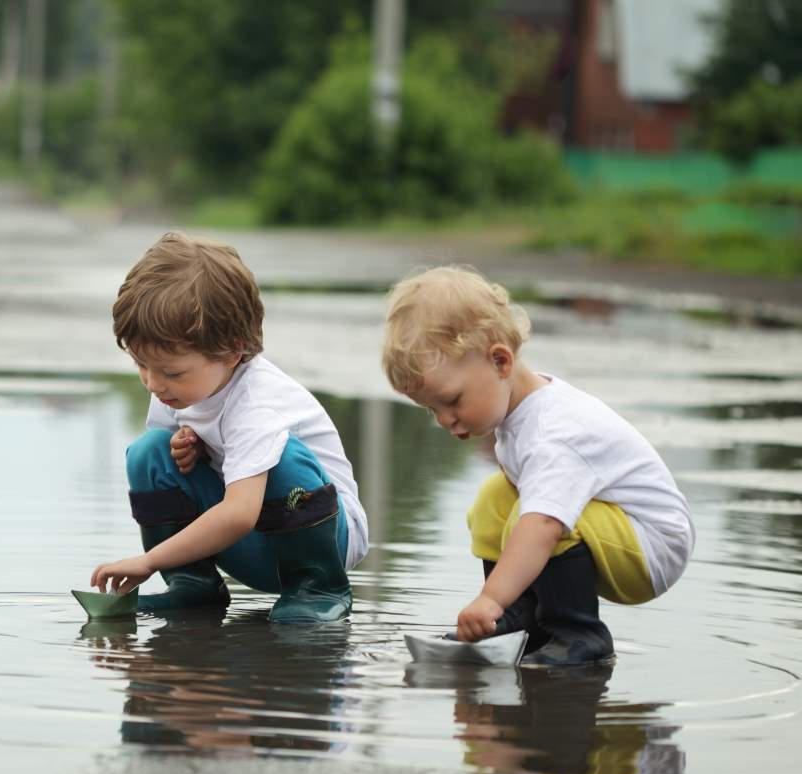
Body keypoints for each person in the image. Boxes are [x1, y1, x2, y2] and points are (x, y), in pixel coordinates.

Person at [381, 266, 694, 666]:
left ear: (500, 361)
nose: (444, 420)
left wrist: (490, 598)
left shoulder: (554, 433)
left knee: (545, 519)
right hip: (615, 533)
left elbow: (544, 526)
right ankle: (521, 622)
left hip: (652, 548)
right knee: (495, 497)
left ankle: (578, 635)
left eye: (453, 400)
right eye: (432, 409)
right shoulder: (517, 414)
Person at [90, 232, 368, 623]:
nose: (153, 383)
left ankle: (319, 590)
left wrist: (149, 561)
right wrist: (194, 445)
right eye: (141, 365)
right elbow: (179, 468)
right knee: (150, 452)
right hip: (253, 542)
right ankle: (192, 584)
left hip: (322, 542)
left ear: (233, 351)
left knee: (282, 457)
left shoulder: (258, 402)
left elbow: (238, 513)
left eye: (170, 371)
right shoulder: (176, 388)